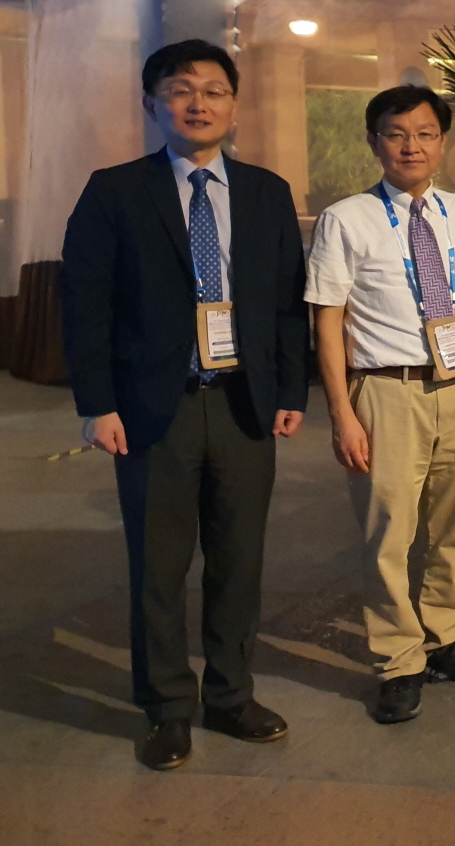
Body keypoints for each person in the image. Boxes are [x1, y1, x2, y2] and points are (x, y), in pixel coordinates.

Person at [60, 39, 308, 771]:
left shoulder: (266, 192)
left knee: (239, 560)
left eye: (213, 90)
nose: (198, 103)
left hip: (243, 404)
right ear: (152, 103)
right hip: (151, 408)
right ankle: (167, 707)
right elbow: (85, 305)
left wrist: (290, 390)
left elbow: (285, 303)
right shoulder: (115, 191)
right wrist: (97, 403)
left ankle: (230, 695)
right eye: (179, 89)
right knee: (159, 567)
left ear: (234, 105)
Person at [306, 85, 455, 725]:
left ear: (443, 142)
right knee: (388, 534)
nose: (411, 146)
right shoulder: (345, 219)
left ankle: (449, 635)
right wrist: (341, 413)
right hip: (385, 390)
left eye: (424, 134)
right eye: (396, 134)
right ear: (375, 142)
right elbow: (327, 321)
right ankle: (398, 660)